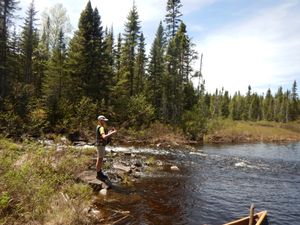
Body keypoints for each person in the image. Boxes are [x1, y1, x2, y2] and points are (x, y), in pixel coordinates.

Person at [95, 115, 117, 181]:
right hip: (101, 145)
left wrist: (109, 132)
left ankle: (99, 171)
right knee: (100, 159)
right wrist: (113, 132)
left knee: (99, 159)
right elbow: (104, 137)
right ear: (100, 121)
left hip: (99, 144)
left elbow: (103, 135)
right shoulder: (101, 127)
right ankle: (99, 174)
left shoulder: (98, 127)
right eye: (104, 120)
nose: (105, 122)